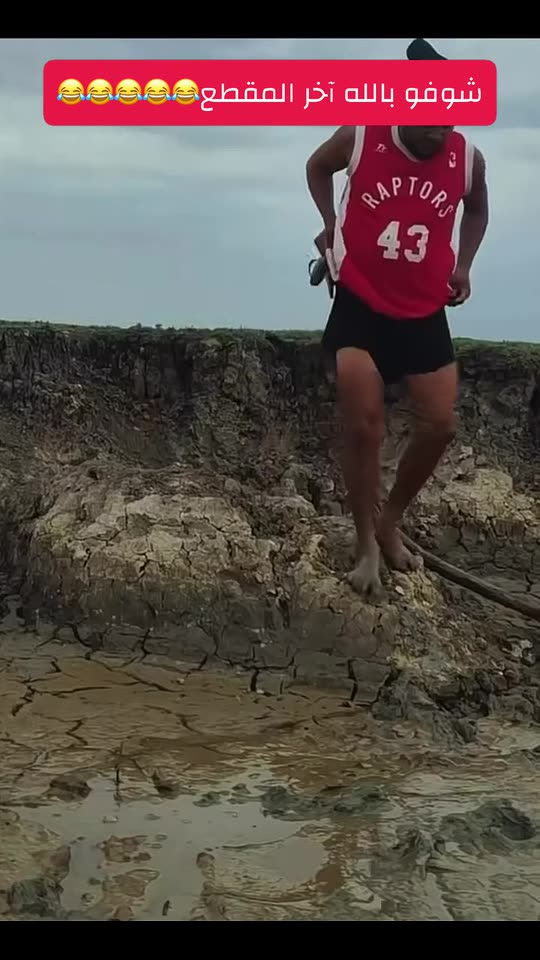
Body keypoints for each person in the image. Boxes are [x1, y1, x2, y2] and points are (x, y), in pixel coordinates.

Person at [305, 122, 489, 598]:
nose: (439, 134)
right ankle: (366, 544)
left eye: (447, 122)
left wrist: (464, 265)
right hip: (360, 303)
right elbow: (317, 166)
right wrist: (330, 221)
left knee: (441, 425)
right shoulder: (360, 138)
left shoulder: (467, 159)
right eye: (429, 123)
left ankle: (389, 522)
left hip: (423, 309)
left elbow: (477, 208)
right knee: (364, 429)